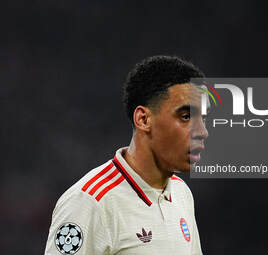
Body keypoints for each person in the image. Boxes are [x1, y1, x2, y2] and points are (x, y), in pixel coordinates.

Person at [44, 55, 209, 255]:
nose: (202, 131)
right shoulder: (90, 202)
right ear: (143, 119)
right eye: (186, 117)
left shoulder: (182, 194)